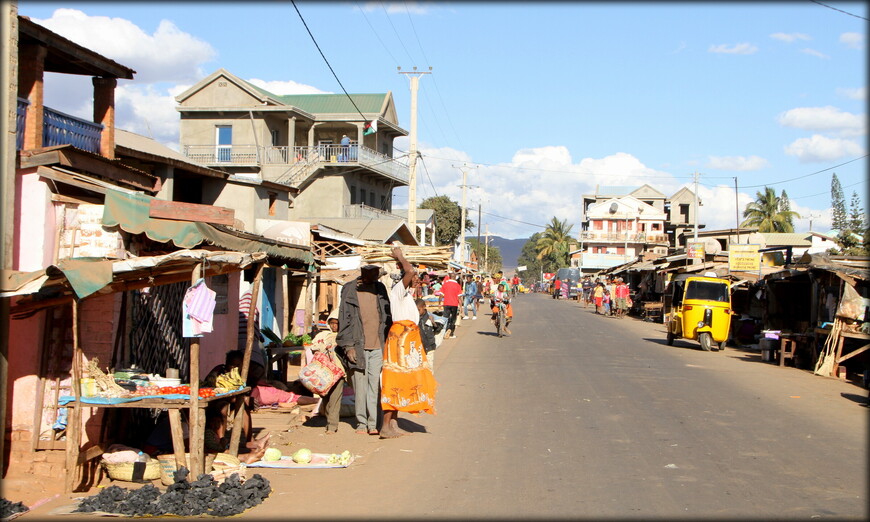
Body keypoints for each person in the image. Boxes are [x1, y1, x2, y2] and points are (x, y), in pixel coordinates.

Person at [380, 247, 437, 439]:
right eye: (414, 277)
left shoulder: (408, 296)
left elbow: (411, 273)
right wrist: (400, 256)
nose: (417, 279)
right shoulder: (398, 290)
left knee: (404, 381)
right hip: (400, 341)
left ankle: (393, 424)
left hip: (408, 341)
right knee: (395, 380)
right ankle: (385, 426)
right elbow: (410, 271)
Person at [336, 265, 392, 436]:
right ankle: (361, 423)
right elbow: (343, 319)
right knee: (360, 387)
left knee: (374, 386)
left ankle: (373, 423)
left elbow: (387, 316)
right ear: (364, 275)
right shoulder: (350, 290)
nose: (375, 279)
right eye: (373, 276)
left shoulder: (380, 288)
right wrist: (348, 346)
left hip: (377, 345)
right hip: (358, 345)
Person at [310, 312, 346, 433]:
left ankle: (332, 425)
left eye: (337, 323)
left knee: (335, 399)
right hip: (323, 373)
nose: (334, 326)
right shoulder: (323, 335)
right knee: (325, 397)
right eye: (332, 323)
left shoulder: (345, 336)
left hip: (338, 372)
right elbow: (313, 347)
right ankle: (327, 419)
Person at [416, 298, 438, 371]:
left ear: (424, 307)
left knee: (429, 367)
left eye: (419, 310)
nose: (417, 312)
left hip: (430, 346)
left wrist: (434, 323)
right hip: (420, 347)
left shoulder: (430, 316)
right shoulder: (415, 318)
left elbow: (438, 329)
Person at [440, 272, 462, 339]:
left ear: (449, 277)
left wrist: (439, 303)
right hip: (454, 304)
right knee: (453, 319)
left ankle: (444, 332)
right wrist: (461, 307)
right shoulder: (458, 286)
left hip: (446, 303)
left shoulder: (445, 284)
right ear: (455, 277)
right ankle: (451, 333)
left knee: (445, 318)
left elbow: (441, 295)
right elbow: (459, 298)